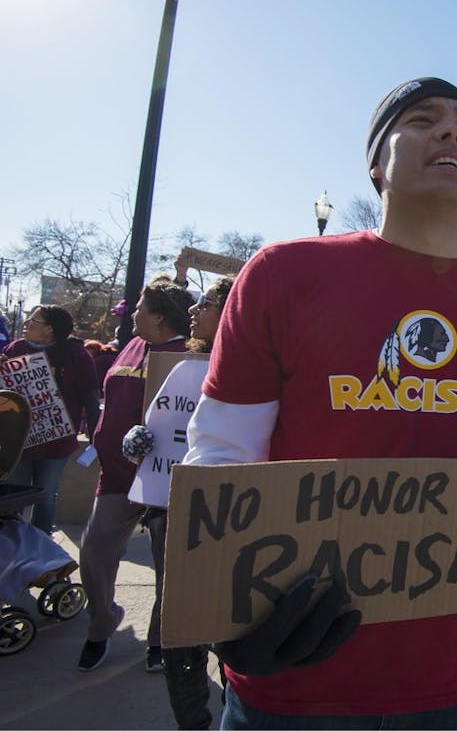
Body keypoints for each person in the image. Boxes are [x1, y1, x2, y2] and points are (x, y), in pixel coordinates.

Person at [181, 77, 457, 729]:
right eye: (424, 120)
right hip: (293, 674)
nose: (452, 133)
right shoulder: (281, 275)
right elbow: (220, 455)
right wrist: (221, 611)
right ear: (376, 164)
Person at [122, 277, 234, 729]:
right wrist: (140, 443)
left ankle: (236, 711)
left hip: (229, 515)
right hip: (169, 511)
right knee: (177, 629)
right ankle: (193, 720)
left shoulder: (265, 368)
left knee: (228, 625)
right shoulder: (181, 365)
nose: (193, 309)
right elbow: (161, 419)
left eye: (205, 302)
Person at [77, 277, 195, 672]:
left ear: (159, 316)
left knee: (168, 566)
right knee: (94, 550)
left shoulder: (190, 357)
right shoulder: (132, 344)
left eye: (140, 307)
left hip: (164, 478)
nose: (132, 313)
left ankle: (160, 641)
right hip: (116, 475)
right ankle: (102, 623)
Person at [2, 305, 100, 534]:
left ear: (49, 329)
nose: (26, 323)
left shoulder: (75, 354)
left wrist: (96, 433)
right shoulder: (16, 349)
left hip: (56, 441)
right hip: (19, 440)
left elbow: (90, 396)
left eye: (33, 320)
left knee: (46, 493)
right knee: (14, 494)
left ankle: (42, 542)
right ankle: (12, 543)